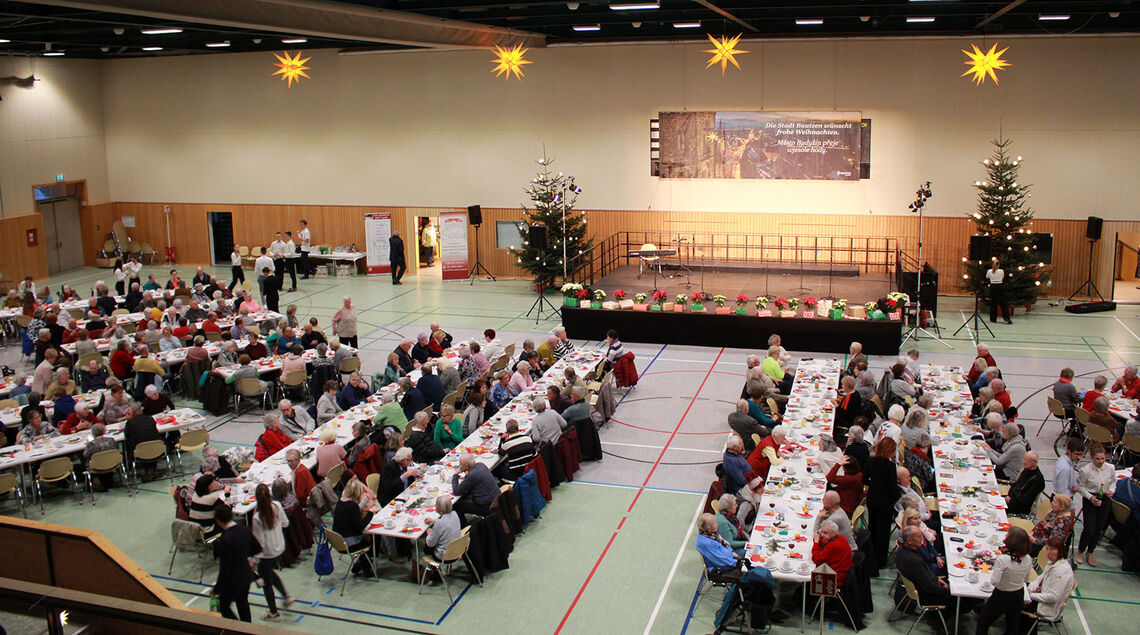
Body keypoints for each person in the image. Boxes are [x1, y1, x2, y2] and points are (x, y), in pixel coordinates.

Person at [975, 527, 1033, 634]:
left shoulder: (1003, 559)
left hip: (1001, 596)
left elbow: (994, 581)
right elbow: (1026, 579)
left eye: (1007, 535)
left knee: (983, 622)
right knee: (1012, 626)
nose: (1005, 536)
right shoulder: (1028, 558)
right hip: (1018, 595)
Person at [249, 483, 293, 622]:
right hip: (279, 548)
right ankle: (286, 596)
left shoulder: (257, 518)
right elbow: (286, 523)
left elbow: (259, 543)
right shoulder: (277, 506)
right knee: (270, 574)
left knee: (266, 583)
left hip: (267, 554)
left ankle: (273, 613)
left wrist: (254, 560)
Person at [212, 506, 259, 623]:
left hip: (232, 580)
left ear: (218, 521)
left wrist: (217, 589)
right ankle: (247, 628)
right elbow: (257, 548)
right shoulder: (245, 530)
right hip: (246, 575)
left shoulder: (224, 540)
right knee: (242, 603)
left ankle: (236, 627)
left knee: (224, 606)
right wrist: (245, 556)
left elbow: (224, 569)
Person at [1075, 445, 1116, 566]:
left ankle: (1090, 552)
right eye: (1097, 459)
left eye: (1103, 458)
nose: (1101, 461)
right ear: (1092, 458)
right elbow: (1080, 487)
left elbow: (1113, 481)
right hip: (1090, 499)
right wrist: (1090, 497)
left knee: (1099, 528)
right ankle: (1080, 551)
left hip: (1105, 498)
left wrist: (1111, 490)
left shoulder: (1110, 468)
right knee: (1089, 528)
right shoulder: (1085, 470)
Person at [896, 526, 954, 608]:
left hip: (925, 585)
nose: (922, 539)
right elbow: (929, 586)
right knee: (963, 600)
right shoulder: (914, 561)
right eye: (919, 536)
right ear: (909, 541)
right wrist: (944, 590)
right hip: (926, 596)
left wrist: (937, 579)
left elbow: (926, 574)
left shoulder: (902, 549)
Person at [864, 437, 900, 567]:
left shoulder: (870, 462)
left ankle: (870, 557)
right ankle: (880, 561)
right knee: (883, 533)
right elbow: (892, 487)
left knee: (872, 528)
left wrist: (874, 485)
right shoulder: (890, 466)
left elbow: (864, 479)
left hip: (872, 499)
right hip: (885, 502)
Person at [451, 453, 500, 523]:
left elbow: (456, 491)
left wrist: (455, 475)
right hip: (496, 499)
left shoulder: (472, 475)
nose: (459, 466)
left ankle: (464, 526)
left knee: (456, 507)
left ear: (466, 466)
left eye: (461, 465)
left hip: (486, 506)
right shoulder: (481, 465)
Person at [812, 520, 853, 587]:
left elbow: (816, 559)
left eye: (825, 533)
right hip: (839, 572)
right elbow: (823, 543)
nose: (822, 535)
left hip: (833, 579)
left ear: (833, 533)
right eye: (821, 531)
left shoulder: (833, 545)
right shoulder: (838, 537)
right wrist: (818, 540)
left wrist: (816, 542)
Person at [826, 455, 863, 520]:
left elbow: (830, 477)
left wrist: (838, 464)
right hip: (850, 504)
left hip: (845, 510)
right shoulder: (858, 474)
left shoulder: (850, 479)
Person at [425, 495, 461, 560]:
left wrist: (429, 535)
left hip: (443, 555)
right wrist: (433, 521)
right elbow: (446, 522)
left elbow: (430, 543)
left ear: (440, 509)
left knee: (426, 546)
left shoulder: (439, 523)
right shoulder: (455, 514)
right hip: (457, 551)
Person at [1053, 437, 1083, 507]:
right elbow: (1062, 491)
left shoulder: (1065, 460)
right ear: (1069, 451)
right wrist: (1071, 506)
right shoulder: (1065, 468)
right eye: (1077, 454)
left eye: (1081, 454)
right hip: (1062, 501)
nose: (1079, 457)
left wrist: (1074, 485)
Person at [832, 376, 863, 441]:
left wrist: (835, 404)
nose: (842, 387)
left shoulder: (850, 398)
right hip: (852, 417)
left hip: (847, 421)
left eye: (843, 385)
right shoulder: (855, 393)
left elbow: (843, 413)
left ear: (846, 386)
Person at [986, 257, 1012, 324]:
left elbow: (987, 277)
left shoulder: (989, 271)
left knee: (993, 302)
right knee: (1003, 302)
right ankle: (1006, 318)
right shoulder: (1001, 271)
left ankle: (993, 319)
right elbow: (1002, 277)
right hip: (1000, 286)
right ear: (999, 265)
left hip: (992, 286)